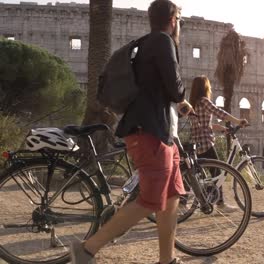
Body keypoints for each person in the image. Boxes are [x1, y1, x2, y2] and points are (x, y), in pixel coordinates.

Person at [69, 1, 191, 264]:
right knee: (149, 200)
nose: (179, 25)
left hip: (159, 132)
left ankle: (166, 260)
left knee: (171, 196)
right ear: (172, 19)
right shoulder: (162, 41)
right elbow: (176, 90)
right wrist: (182, 91)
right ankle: (87, 248)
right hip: (150, 132)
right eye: (179, 19)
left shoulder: (147, 43)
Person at [188, 75, 248, 212]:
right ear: (205, 87)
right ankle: (220, 204)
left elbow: (205, 125)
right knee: (218, 171)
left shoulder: (194, 103)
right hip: (205, 142)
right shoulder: (204, 101)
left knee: (209, 173)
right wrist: (238, 121)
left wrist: (222, 129)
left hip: (197, 142)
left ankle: (208, 199)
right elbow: (219, 112)